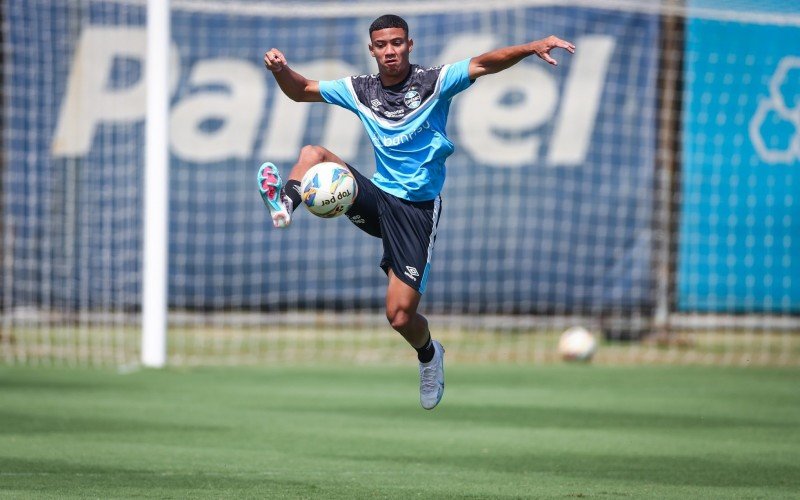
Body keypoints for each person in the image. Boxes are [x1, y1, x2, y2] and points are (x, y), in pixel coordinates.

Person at [259, 14, 574, 410]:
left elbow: (484, 62)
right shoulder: (361, 90)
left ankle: (429, 355)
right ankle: (284, 204)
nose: (390, 50)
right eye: (381, 45)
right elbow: (301, 89)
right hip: (377, 197)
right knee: (313, 154)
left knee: (400, 315)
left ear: (410, 45)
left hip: (417, 212)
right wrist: (280, 70)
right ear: (371, 50)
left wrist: (530, 48)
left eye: (397, 43)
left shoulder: (433, 82)